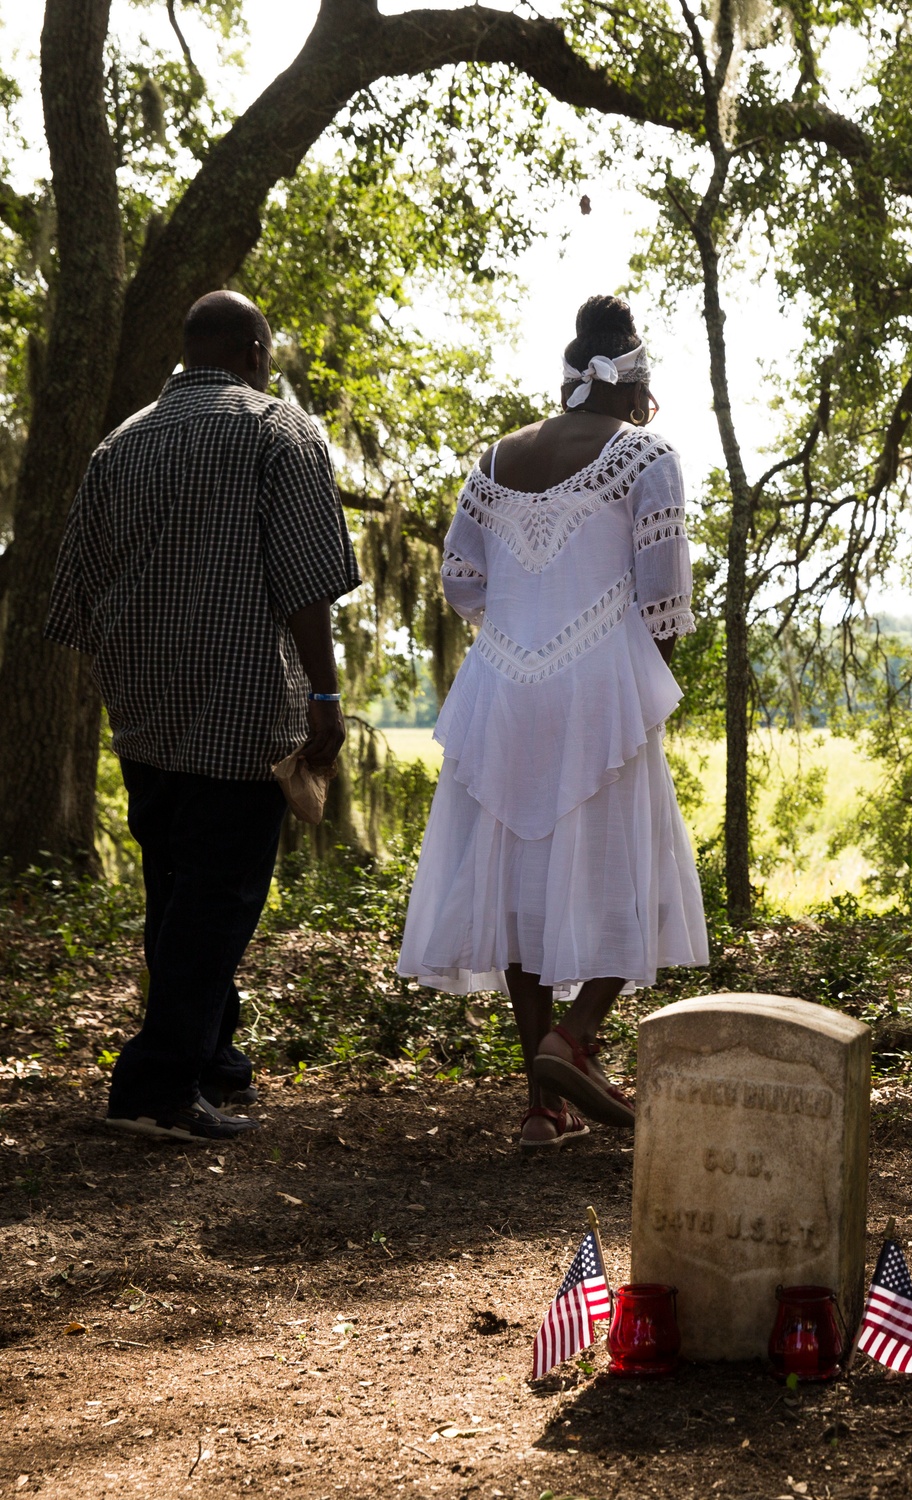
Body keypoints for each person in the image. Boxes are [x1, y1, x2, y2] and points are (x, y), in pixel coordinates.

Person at [45, 291, 361, 1142]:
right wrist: (325, 698)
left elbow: (71, 597)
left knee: (175, 886)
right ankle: (156, 1087)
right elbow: (306, 579)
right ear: (257, 353)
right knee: (217, 897)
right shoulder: (279, 432)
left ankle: (213, 1059)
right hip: (240, 704)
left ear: (189, 355)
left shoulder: (120, 443)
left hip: (143, 704)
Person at [397, 295, 709, 1152]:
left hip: (501, 684)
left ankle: (541, 1107)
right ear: (636, 385)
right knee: (633, 869)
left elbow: (462, 581)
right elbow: (665, 599)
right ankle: (572, 1039)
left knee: (518, 891)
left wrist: (524, 628)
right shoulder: (650, 455)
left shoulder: (494, 457)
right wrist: (641, 686)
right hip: (599, 681)